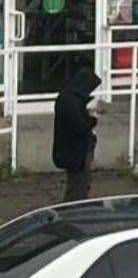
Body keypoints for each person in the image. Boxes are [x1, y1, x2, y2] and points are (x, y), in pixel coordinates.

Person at [53, 67, 101, 203]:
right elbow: (80, 126)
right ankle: (72, 213)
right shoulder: (72, 102)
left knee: (76, 184)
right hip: (77, 152)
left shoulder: (66, 98)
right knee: (78, 187)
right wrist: (93, 120)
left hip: (70, 151)